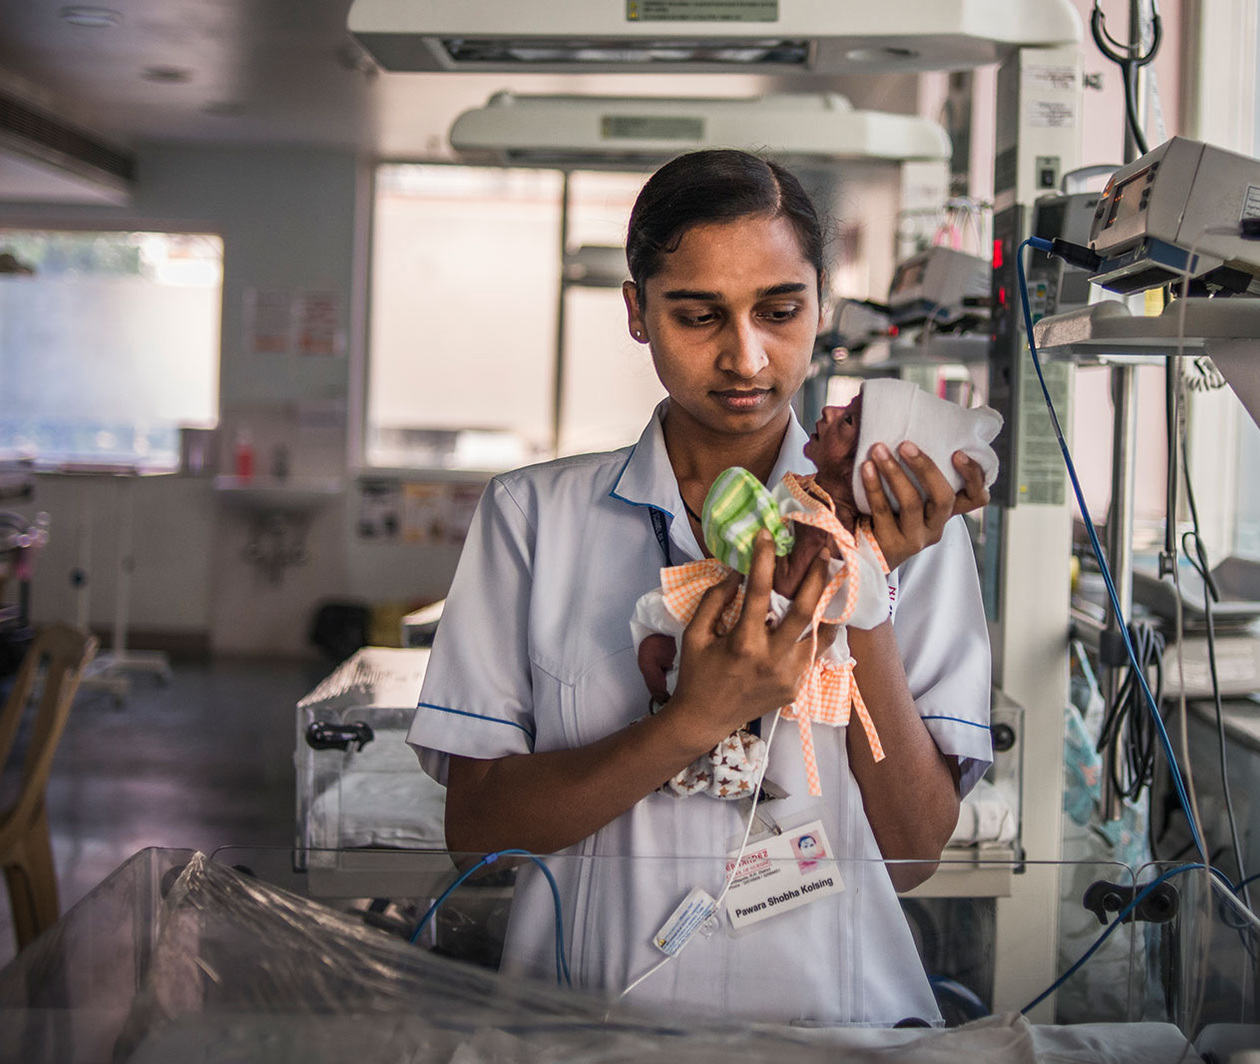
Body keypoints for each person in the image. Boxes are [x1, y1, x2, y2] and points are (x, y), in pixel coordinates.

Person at [407, 149, 994, 1025]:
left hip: (833, 1024)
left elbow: (913, 853)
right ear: (638, 313)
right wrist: (692, 721)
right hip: (595, 1022)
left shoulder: (906, 526)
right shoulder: (533, 518)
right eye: (698, 314)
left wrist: (855, 580)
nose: (745, 356)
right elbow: (480, 831)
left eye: (781, 310)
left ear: (823, 307)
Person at [629, 380, 1001, 803]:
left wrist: (870, 569)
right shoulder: (802, 494)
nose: (827, 412)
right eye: (698, 316)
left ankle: (712, 756)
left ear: (868, 469)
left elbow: (921, 841)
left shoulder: (826, 533)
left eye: (849, 420)